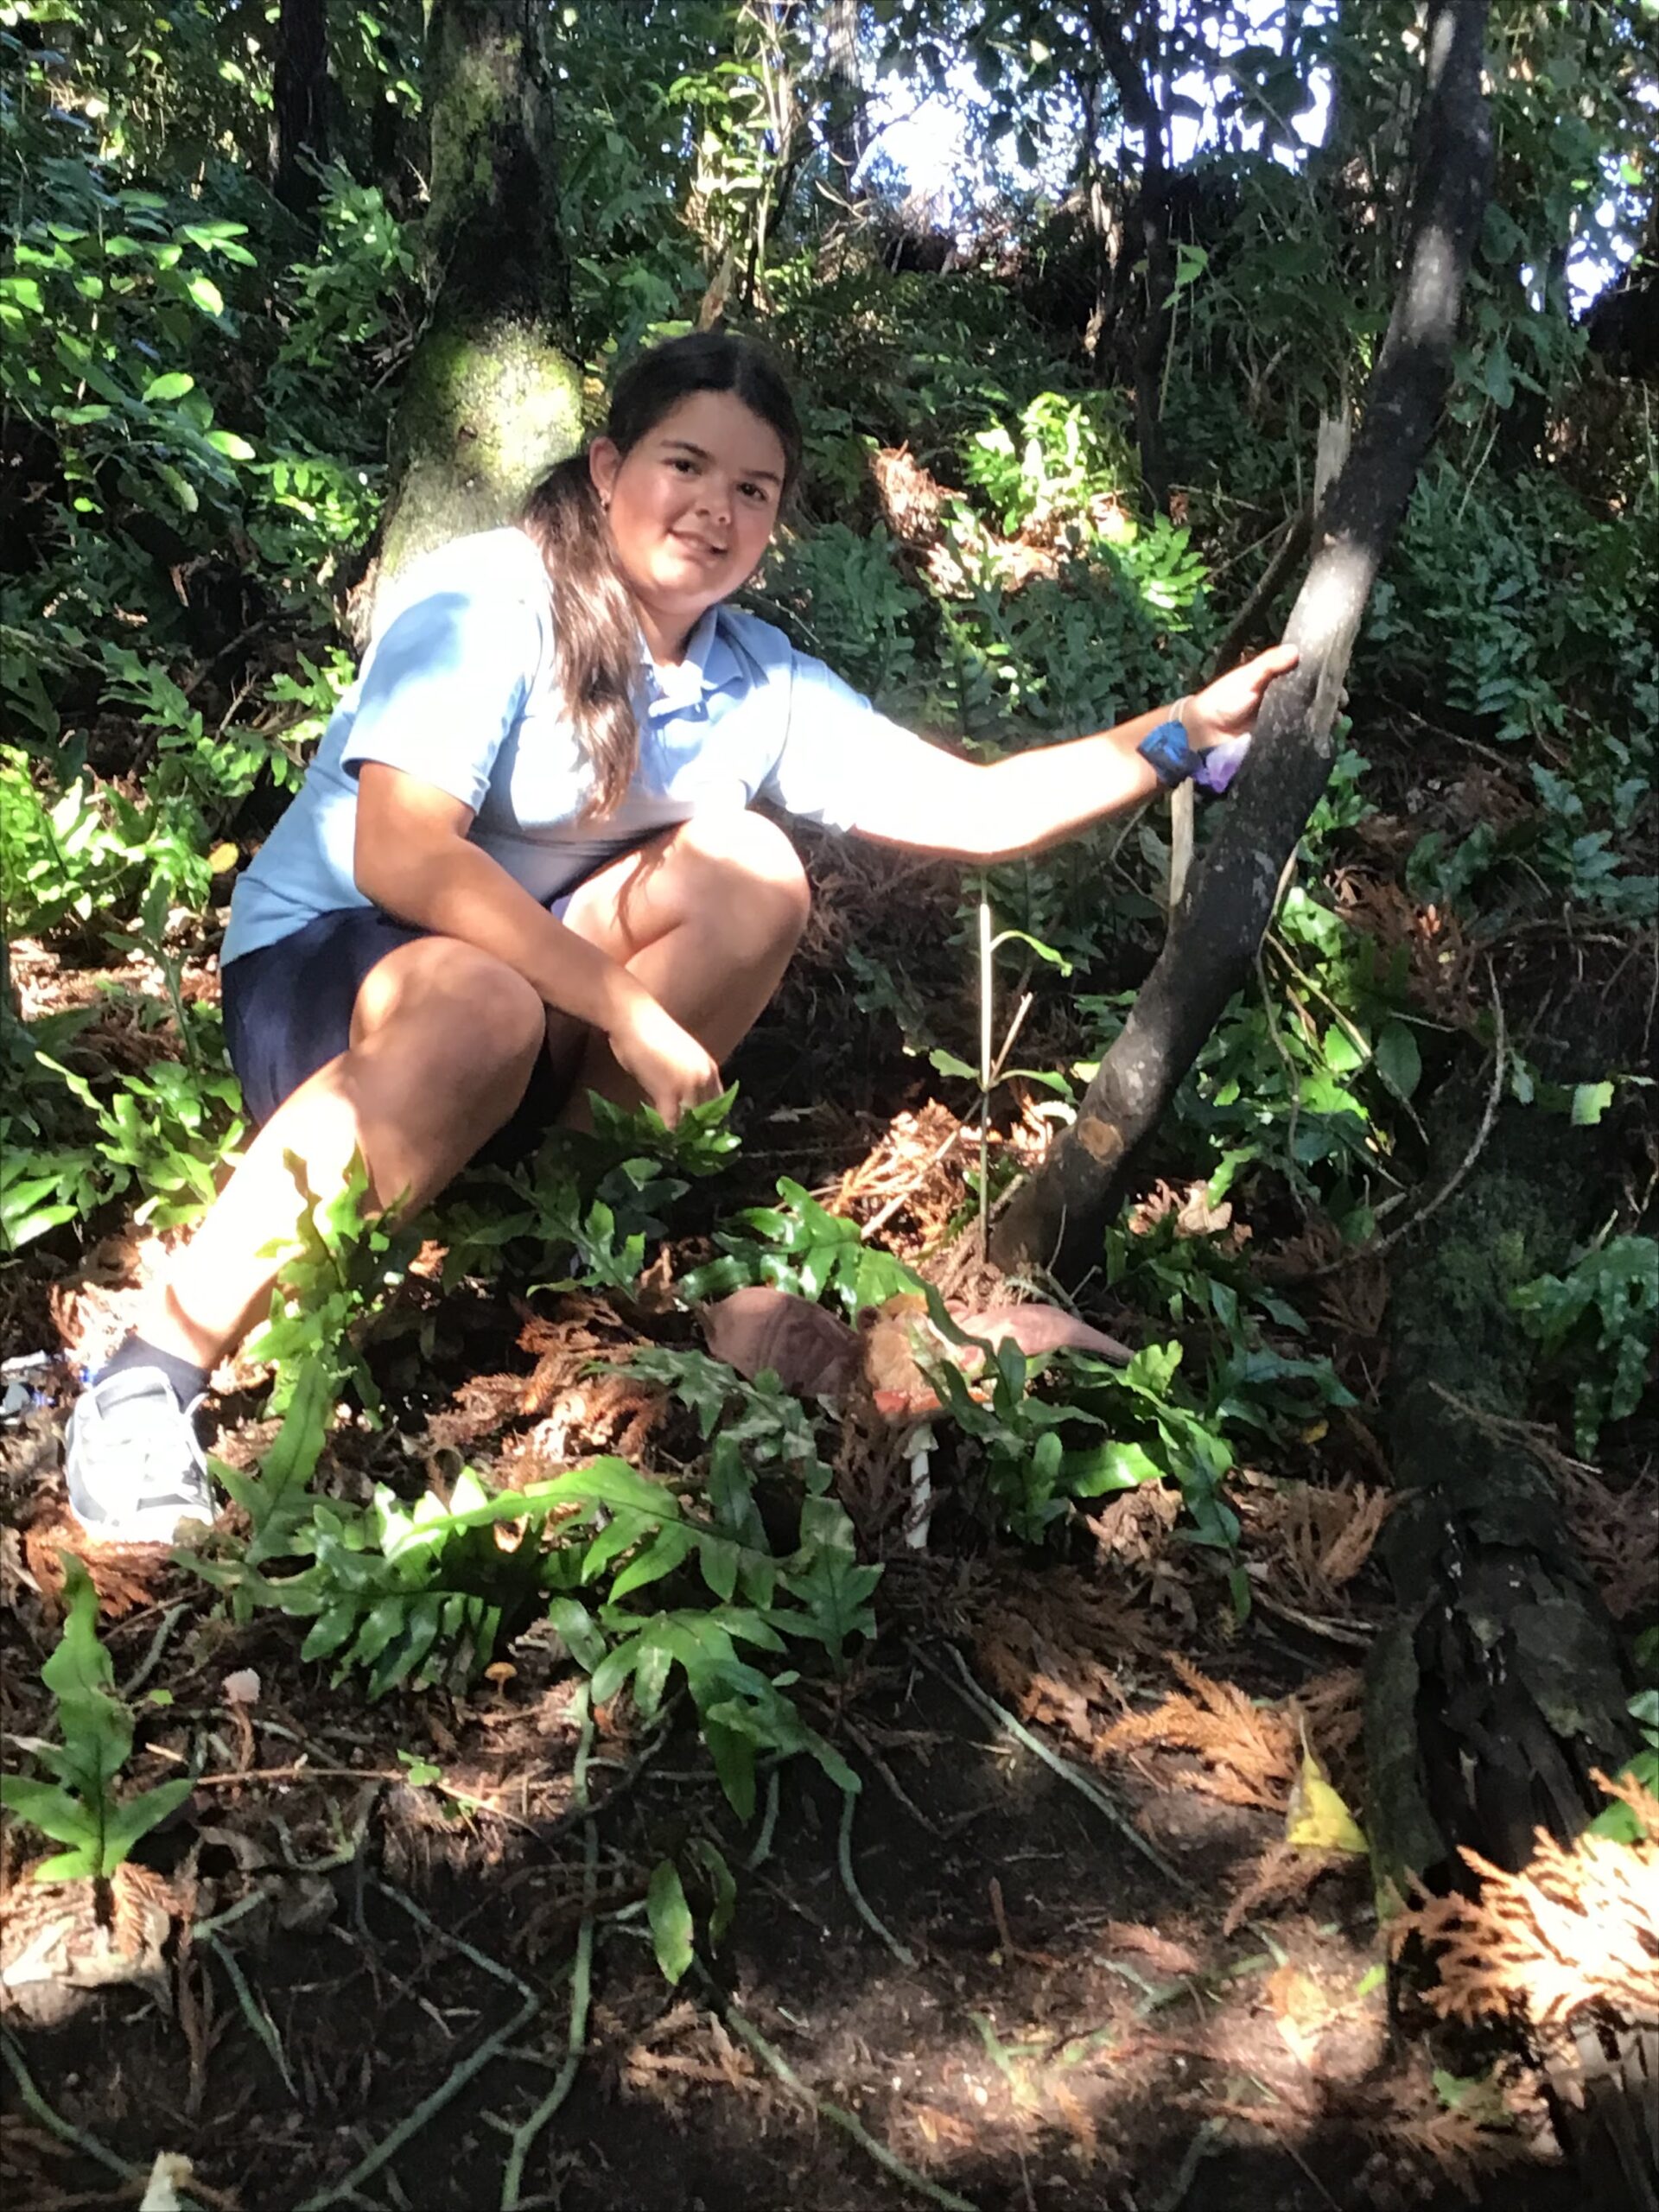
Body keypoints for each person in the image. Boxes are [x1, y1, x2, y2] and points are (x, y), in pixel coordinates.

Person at [64, 332, 1296, 1543]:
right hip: (337, 967)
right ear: (608, 468)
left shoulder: (750, 678)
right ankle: (150, 1372)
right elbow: (401, 851)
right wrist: (622, 1003)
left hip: (524, 988)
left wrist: (1180, 732)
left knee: (752, 871)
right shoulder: (493, 597)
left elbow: (973, 810)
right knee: (486, 1004)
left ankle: (559, 1224)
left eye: (752, 489)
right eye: (686, 466)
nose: (717, 509)